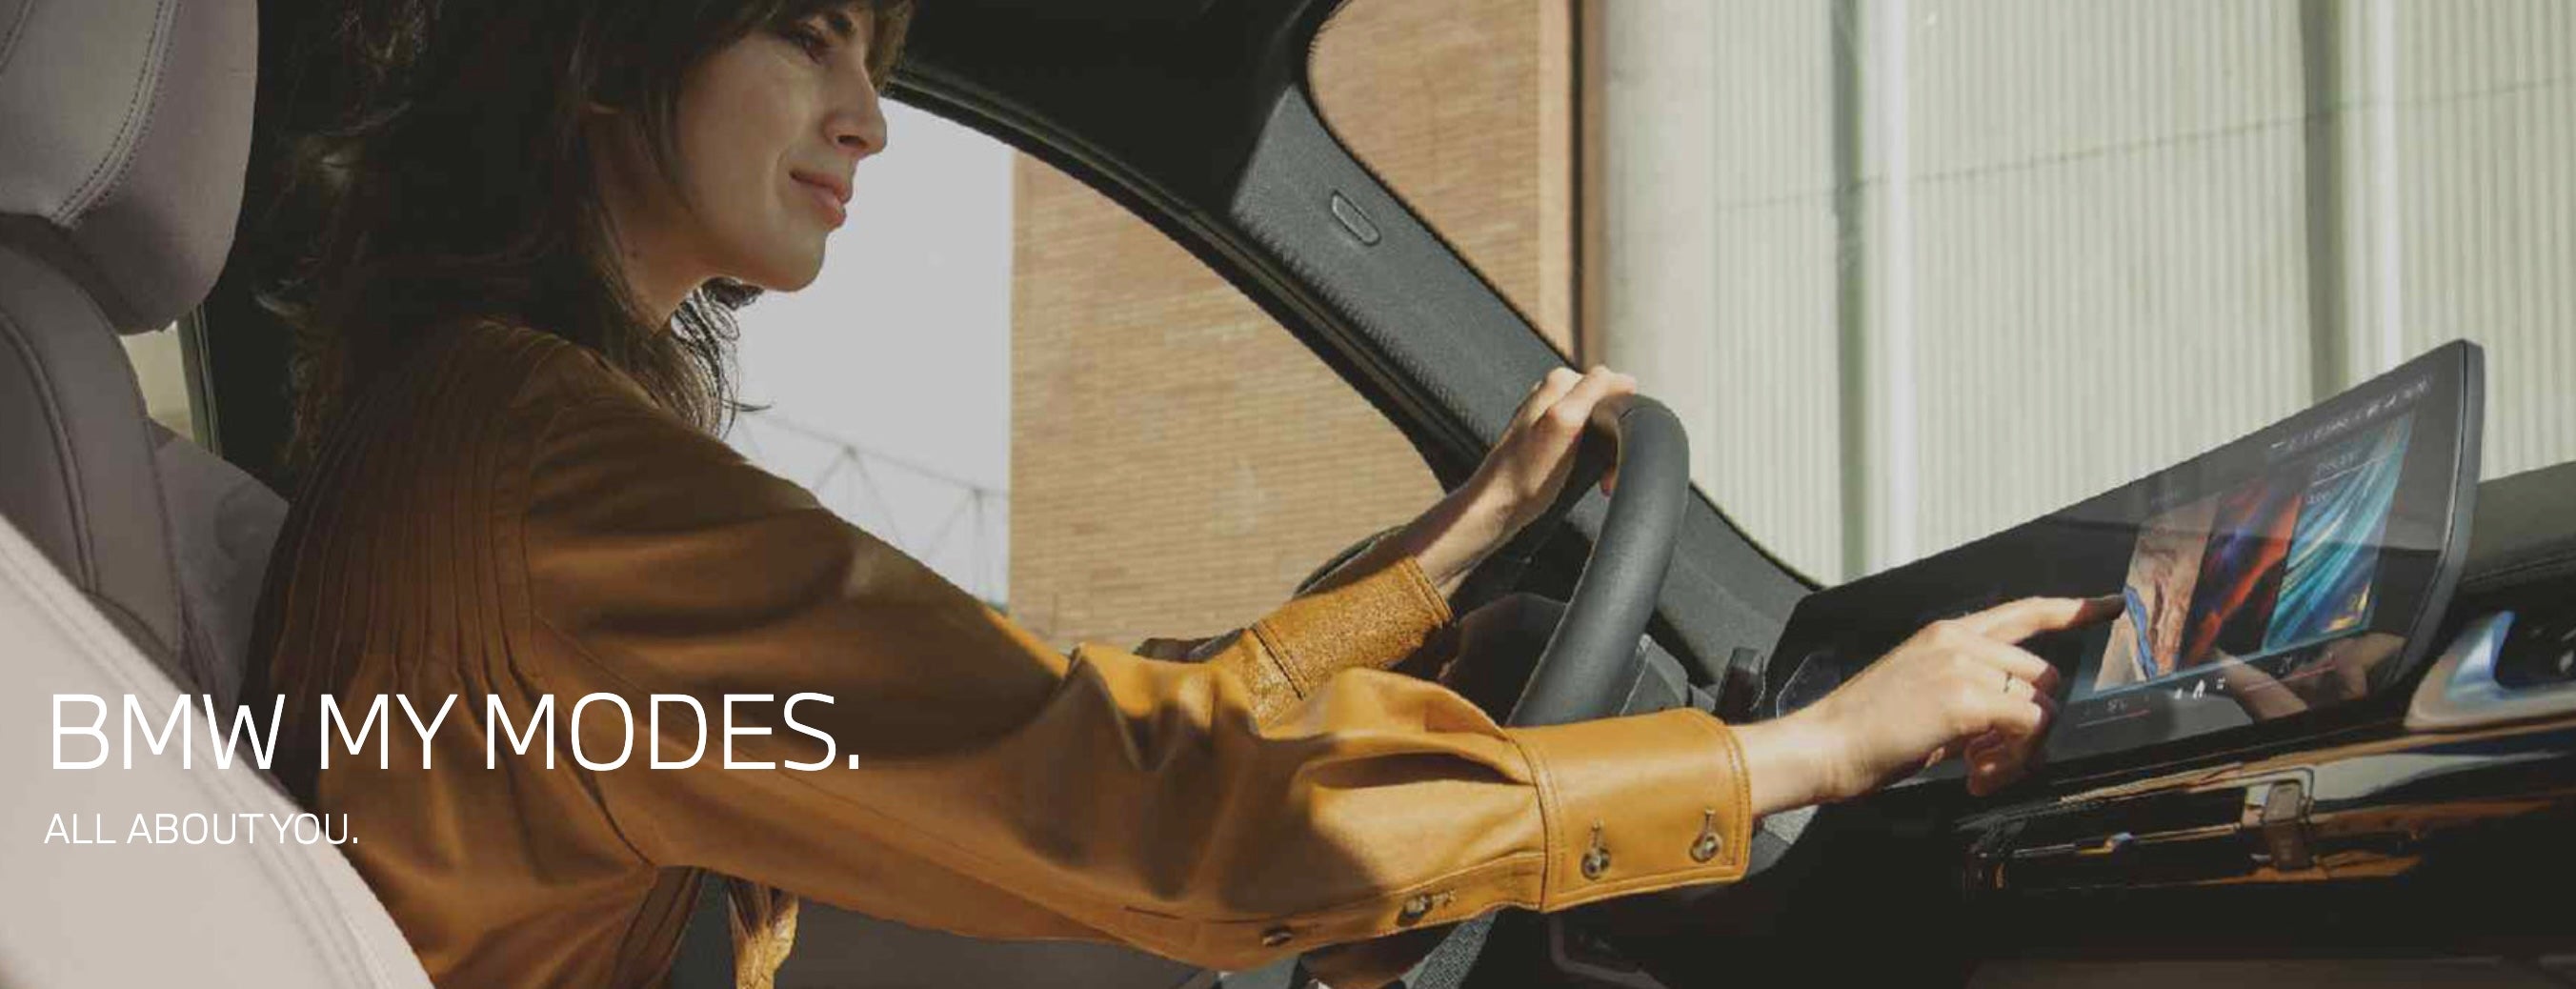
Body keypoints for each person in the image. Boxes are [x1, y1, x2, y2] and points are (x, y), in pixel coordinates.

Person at [246, 2, 2108, 986]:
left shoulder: (480, 435)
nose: (867, 112)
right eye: (806, 30)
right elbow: (1147, 807)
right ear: (602, 45)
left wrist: (1441, 558)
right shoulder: (542, 481)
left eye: (873, 50)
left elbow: (1061, 753)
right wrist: (1798, 754)